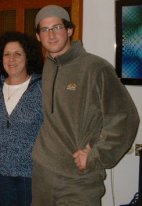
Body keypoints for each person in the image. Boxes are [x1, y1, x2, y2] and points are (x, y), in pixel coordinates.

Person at [32, 5, 140, 206]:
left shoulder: (95, 68)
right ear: (38, 36)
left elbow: (126, 118)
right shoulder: (47, 65)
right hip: (43, 173)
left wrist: (96, 154)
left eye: (57, 27)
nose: (51, 35)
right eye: (45, 29)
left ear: (69, 30)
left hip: (79, 179)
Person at [0, 31, 43, 206]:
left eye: (18, 54)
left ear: (28, 57)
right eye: (7, 54)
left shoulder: (41, 87)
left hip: (29, 172)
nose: (11, 59)